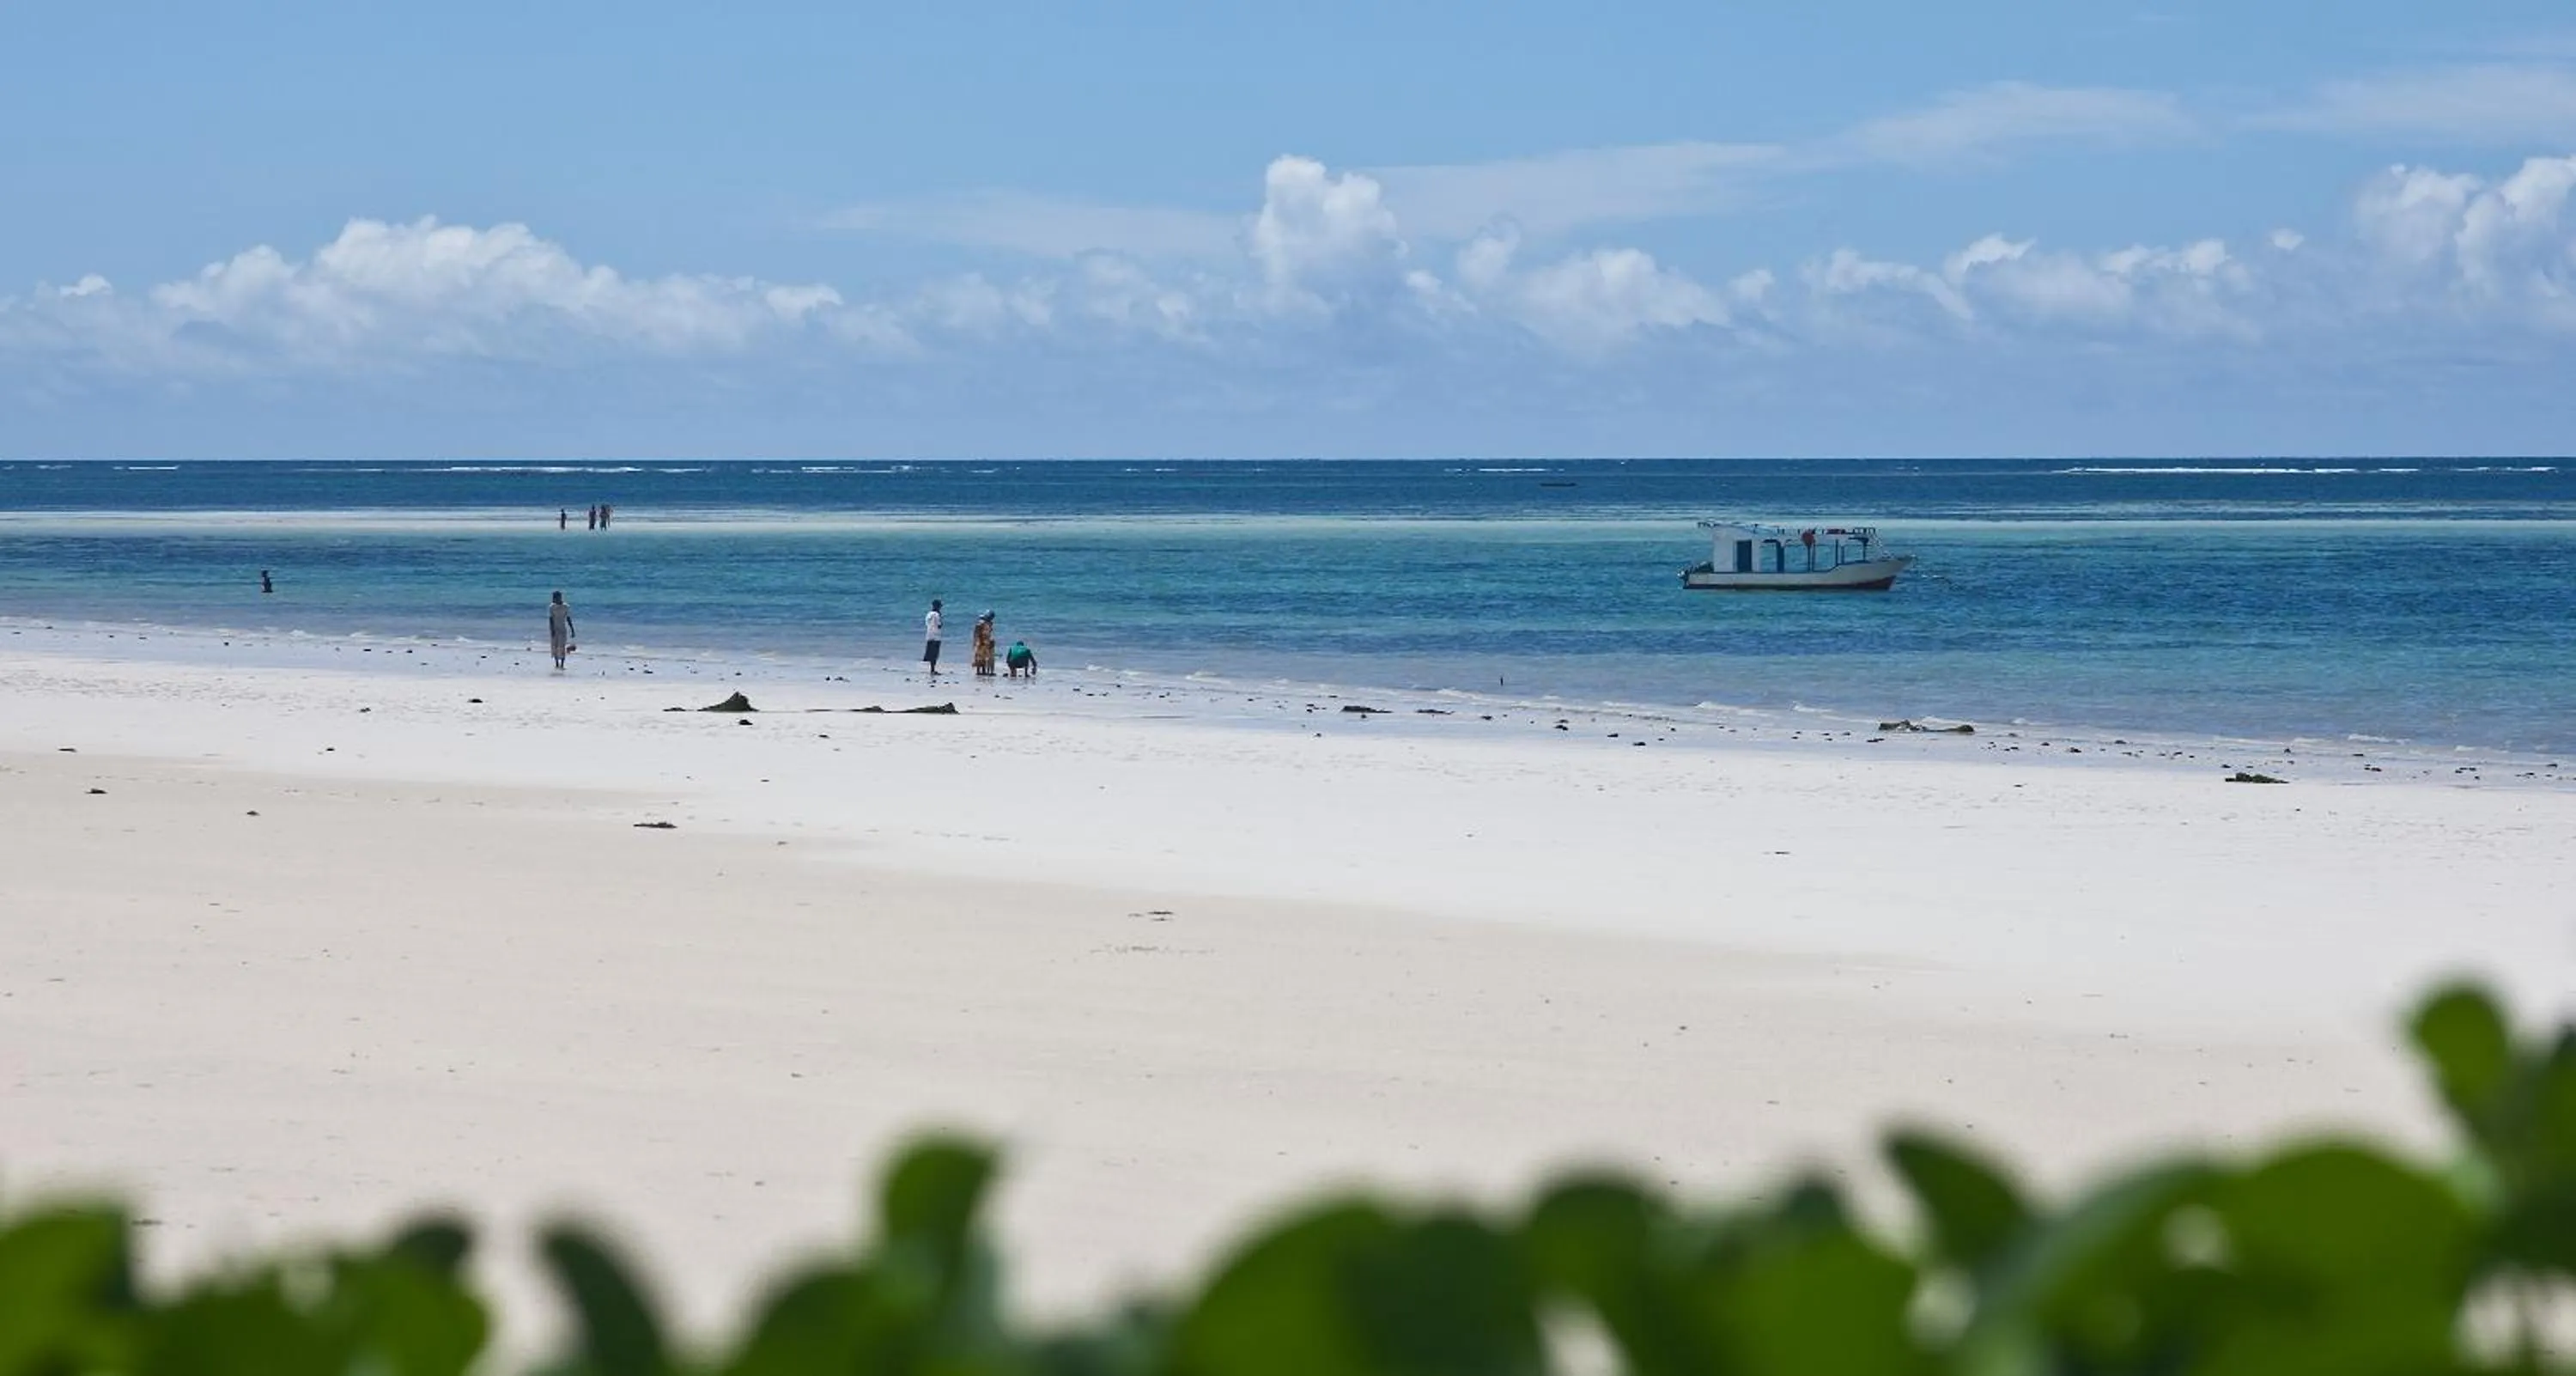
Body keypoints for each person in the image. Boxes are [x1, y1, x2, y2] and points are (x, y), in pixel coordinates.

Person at [548, 591, 576, 671]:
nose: (553, 599)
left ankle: (562, 664)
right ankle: (556, 663)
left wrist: (572, 630)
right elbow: (551, 619)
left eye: (555, 597)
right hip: (554, 629)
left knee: (562, 646)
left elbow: (568, 618)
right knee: (554, 646)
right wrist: (552, 629)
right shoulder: (552, 607)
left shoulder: (565, 606)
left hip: (562, 629)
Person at [921, 599, 945, 676]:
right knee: (934, 654)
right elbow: (939, 625)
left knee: (930, 653)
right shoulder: (937, 615)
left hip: (929, 634)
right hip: (936, 635)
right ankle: (933, 670)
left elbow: (927, 624)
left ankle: (932, 669)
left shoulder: (929, 614)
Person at [971, 611, 997, 678]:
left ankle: (983, 671)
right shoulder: (981, 623)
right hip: (981, 641)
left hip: (986, 641)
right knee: (980, 657)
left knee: (984, 657)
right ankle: (979, 671)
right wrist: (977, 641)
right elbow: (977, 633)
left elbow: (989, 633)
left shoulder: (989, 623)